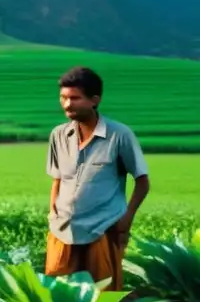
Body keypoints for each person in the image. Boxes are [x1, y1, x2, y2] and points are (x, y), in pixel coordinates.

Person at [45, 67, 150, 290]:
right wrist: (52, 212)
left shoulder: (119, 135)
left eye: (74, 98)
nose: (67, 104)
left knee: (103, 293)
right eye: (63, 97)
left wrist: (126, 219)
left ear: (95, 100)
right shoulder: (58, 135)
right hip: (62, 229)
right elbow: (57, 179)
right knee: (58, 292)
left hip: (103, 229)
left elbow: (142, 181)